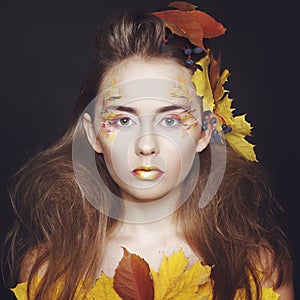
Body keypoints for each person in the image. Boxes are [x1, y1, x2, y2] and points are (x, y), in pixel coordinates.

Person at [1, 1, 294, 299]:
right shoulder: (50, 271)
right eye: (123, 119)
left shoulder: (257, 267)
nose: (146, 145)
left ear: (205, 132)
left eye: (170, 119)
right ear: (92, 134)